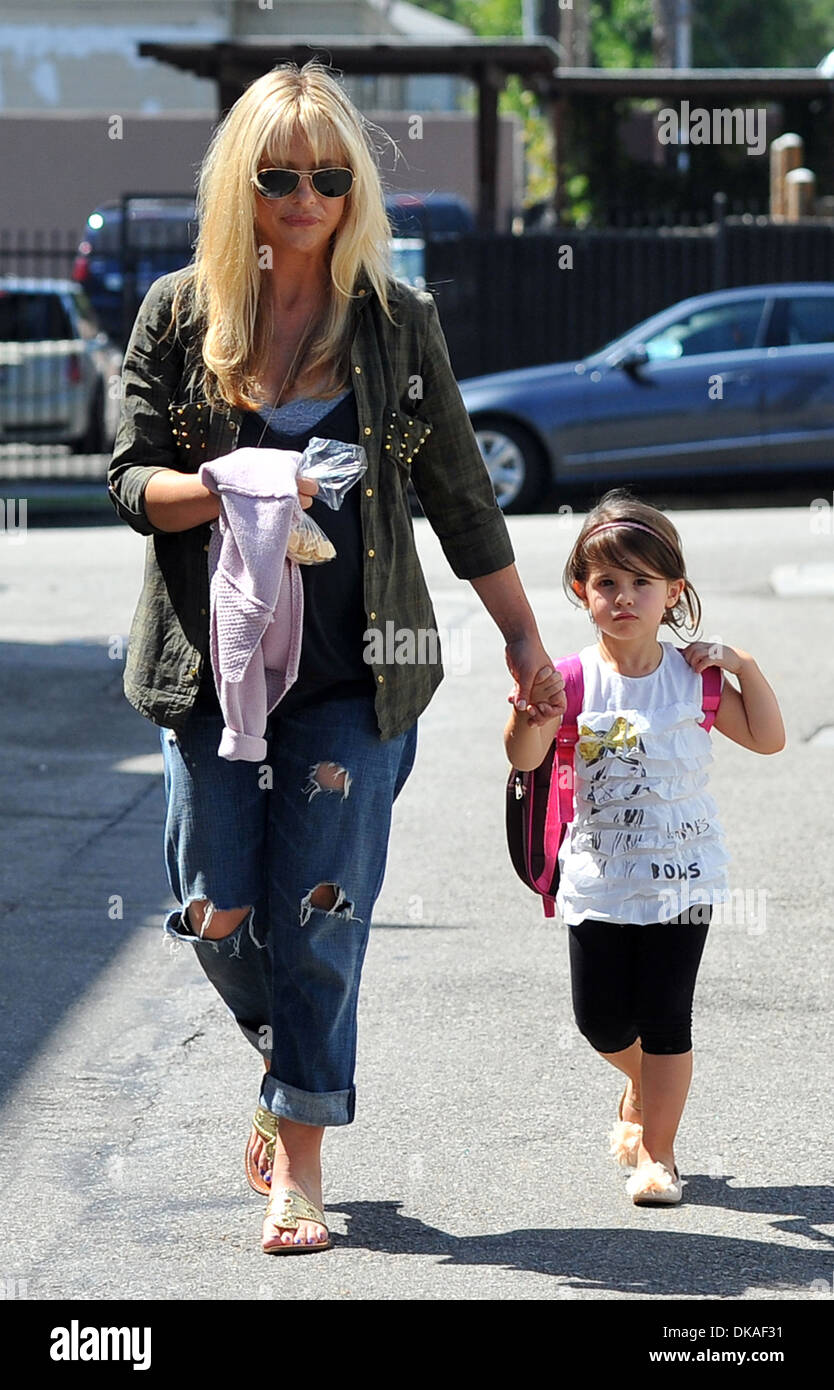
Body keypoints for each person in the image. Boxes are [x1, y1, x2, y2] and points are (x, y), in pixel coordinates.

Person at [107, 60, 557, 1254]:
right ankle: (286, 1059)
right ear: (239, 186)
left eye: (328, 174)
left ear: (355, 186)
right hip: (211, 675)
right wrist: (227, 486)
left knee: (318, 913)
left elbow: (462, 493)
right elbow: (127, 480)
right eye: (277, 175)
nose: (304, 195)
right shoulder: (180, 313)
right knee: (216, 904)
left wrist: (524, 638)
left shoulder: (396, 322)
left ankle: (298, 1162)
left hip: (359, 678)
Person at [504, 489, 784, 1205]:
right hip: (598, 875)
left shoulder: (696, 677)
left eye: (641, 583)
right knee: (598, 1018)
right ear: (581, 591)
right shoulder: (569, 679)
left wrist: (744, 663)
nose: (624, 597)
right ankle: (641, 1083)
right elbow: (527, 756)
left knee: (666, 1017)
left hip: (686, 876)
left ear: (673, 593)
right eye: (607, 584)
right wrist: (530, 717)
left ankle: (656, 1156)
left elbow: (769, 738)